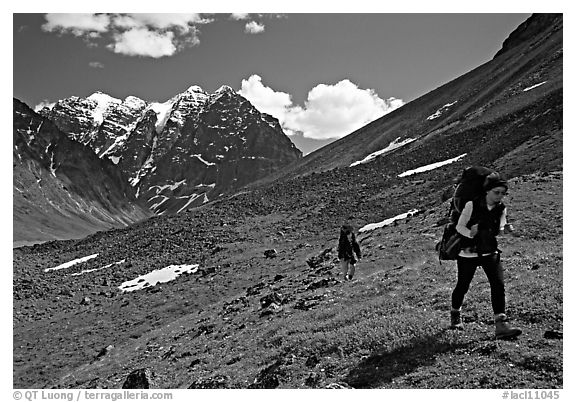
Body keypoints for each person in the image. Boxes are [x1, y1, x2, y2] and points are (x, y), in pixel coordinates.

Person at [449, 174, 522, 339]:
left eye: (503, 193)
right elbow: (459, 226)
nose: (500, 196)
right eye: (497, 192)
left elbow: (499, 230)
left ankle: (501, 324)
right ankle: (455, 314)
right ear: (487, 191)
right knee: (463, 285)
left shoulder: (501, 208)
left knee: (498, 284)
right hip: (468, 252)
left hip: (489, 251)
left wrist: (507, 230)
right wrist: (470, 233)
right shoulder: (471, 205)